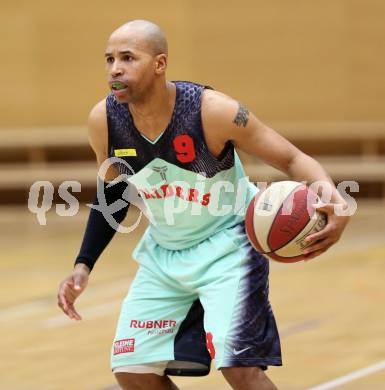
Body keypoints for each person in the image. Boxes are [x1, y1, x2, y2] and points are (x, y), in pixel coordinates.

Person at [57, 19, 349, 390]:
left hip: (229, 246)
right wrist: (83, 265)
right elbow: (112, 195)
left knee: (240, 368)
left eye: (128, 58)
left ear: (159, 64)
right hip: (165, 252)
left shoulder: (212, 112)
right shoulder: (104, 121)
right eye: (110, 58)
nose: (115, 68)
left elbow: (291, 158)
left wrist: (330, 194)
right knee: (133, 370)